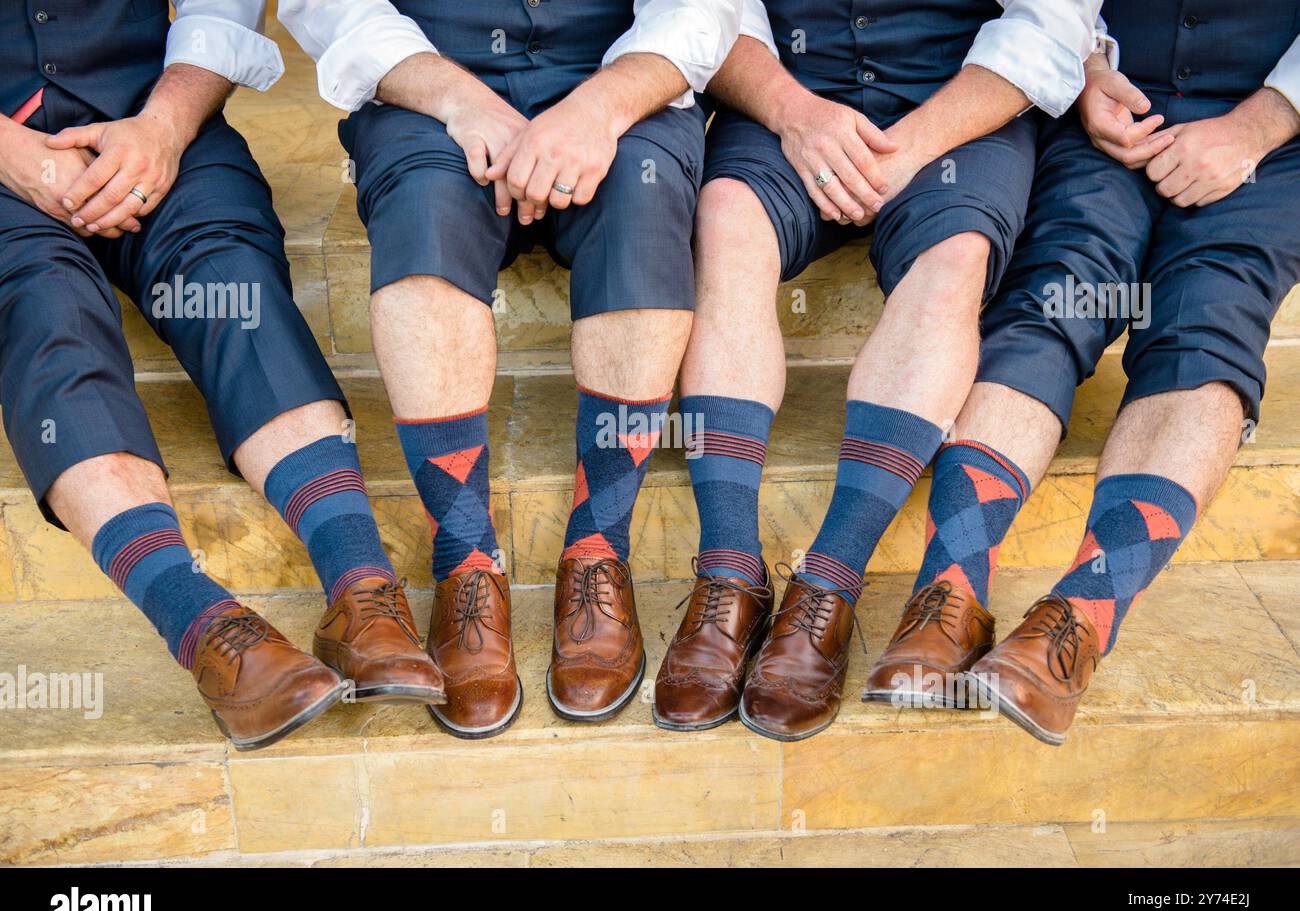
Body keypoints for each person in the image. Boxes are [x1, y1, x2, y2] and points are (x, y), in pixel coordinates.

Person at [277, 0, 749, 734]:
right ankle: (466, 558)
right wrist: (461, 99)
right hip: (426, 85)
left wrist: (600, 105)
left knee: (643, 208)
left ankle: (598, 548)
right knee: (424, 219)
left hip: (622, 77)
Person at [654, 0, 1108, 741]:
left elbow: (1050, 24)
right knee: (726, 216)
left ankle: (829, 581)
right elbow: (703, 8)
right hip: (788, 93)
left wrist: (911, 145)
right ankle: (730, 572)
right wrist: (793, 111)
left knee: (955, 258)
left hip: (959, 101)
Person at [0, 1, 444, 752]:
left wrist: (165, 124)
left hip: (150, 118)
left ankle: (362, 589)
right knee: (48, 316)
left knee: (234, 281)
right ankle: (204, 625)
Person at [868, 1, 1300, 745]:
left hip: (1272, 132)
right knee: (1052, 295)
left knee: (1208, 320)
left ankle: (1077, 617)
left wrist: (1259, 124)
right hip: (1109, 105)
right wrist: (1090, 68)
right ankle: (950, 591)